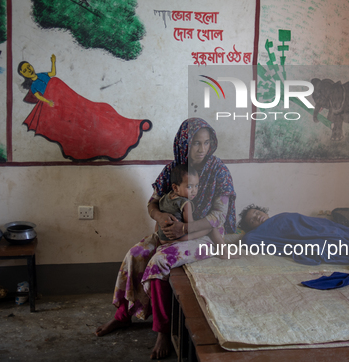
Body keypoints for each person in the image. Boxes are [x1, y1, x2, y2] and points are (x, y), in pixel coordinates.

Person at [95, 118, 236, 359]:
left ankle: (163, 329)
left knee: (160, 261)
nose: (202, 149)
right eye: (195, 143)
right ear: (184, 144)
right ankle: (123, 316)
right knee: (136, 254)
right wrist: (160, 217)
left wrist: (185, 228)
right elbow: (152, 203)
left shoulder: (218, 170)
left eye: (206, 143)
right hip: (171, 230)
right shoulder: (173, 169)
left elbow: (218, 216)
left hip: (206, 236)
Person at [17, 55, 151, 161]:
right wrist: (48, 101)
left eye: (28, 67)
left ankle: (129, 127)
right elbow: (39, 97)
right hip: (57, 104)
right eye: (25, 70)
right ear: (23, 74)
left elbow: (52, 73)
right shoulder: (34, 86)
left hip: (67, 98)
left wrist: (53, 61)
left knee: (91, 111)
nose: (28, 69)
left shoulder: (42, 75)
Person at [157, 164, 226, 250]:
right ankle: (225, 252)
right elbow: (190, 225)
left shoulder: (164, 198)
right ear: (175, 187)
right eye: (189, 186)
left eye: (196, 186)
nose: (194, 191)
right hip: (177, 238)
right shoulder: (185, 203)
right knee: (211, 227)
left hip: (162, 239)